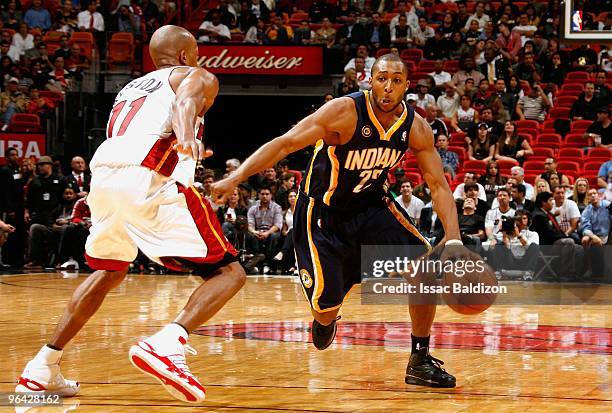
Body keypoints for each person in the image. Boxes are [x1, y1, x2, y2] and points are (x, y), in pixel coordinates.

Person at [211, 54, 475, 388]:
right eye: (382, 78)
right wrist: (235, 177)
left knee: (424, 266)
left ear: (407, 86)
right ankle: (326, 317)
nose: (388, 86)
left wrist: (452, 239)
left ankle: (419, 360)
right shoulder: (343, 112)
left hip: (371, 206)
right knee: (325, 307)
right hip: (322, 213)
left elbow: (438, 185)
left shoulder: (415, 127)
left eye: (396, 80)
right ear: (370, 80)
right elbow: (285, 144)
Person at [15, 26, 246, 404]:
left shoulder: (130, 89)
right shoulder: (195, 75)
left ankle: (42, 367)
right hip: (149, 173)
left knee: (110, 269)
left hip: (104, 178)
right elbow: (186, 101)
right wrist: (187, 134)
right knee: (229, 272)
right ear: (187, 56)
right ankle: (166, 343)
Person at [490, 209, 539, 278]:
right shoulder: (508, 232)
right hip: (509, 260)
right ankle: (498, 272)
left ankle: (528, 273)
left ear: (529, 220)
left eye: (524, 218)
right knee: (499, 245)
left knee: (535, 246)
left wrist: (518, 235)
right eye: (519, 218)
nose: (521, 221)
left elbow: (529, 248)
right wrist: (504, 234)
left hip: (524, 261)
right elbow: (505, 246)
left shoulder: (533, 234)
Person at [580, 188, 611, 279]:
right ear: (588, 198)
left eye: (594, 193)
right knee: (585, 239)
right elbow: (585, 228)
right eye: (590, 194)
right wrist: (593, 236)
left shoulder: (607, 205)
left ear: (599, 196)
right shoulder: (587, 210)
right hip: (596, 236)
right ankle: (590, 269)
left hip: (609, 235)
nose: (593, 196)